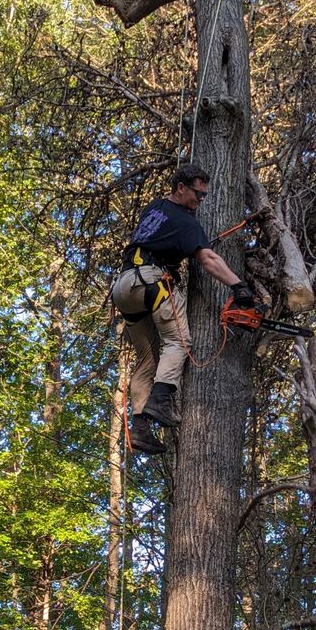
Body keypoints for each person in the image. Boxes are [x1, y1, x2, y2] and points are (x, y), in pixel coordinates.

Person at [111, 163, 255, 455]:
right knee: (178, 341)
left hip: (123, 287)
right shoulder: (186, 223)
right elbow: (208, 260)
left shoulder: (155, 207)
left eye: (204, 196)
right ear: (180, 188)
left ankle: (139, 427)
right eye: (197, 194)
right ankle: (161, 399)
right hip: (152, 282)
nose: (200, 200)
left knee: (147, 358)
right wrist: (238, 286)